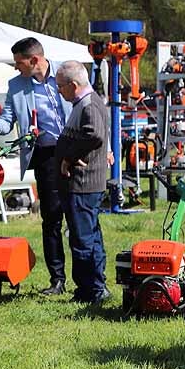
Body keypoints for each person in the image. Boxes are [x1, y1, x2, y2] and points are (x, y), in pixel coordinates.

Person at [0, 37, 71, 296]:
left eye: (19, 63)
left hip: (75, 151)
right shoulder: (16, 86)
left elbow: (89, 108)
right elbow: (6, 123)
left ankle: (89, 281)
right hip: (45, 155)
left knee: (79, 216)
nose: (15, 68)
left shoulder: (67, 72)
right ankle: (58, 280)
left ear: (34, 60)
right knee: (51, 218)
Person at [54, 60, 111, 305]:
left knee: (83, 239)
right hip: (83, 184)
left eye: (60, 86)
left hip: (83, 184)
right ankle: (95, 287)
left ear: (73, 85)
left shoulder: (88, 105)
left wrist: (69, 157)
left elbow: (94, 135)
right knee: (89, 236)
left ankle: (90, 291)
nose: (59, 91)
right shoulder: (87, 102)